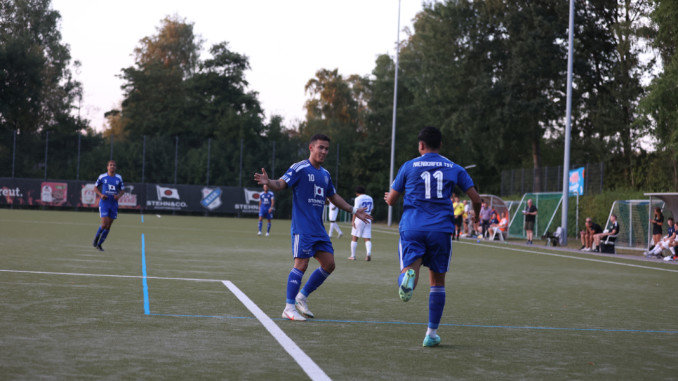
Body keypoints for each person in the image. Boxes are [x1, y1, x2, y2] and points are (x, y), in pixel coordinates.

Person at [254, 134, 372, 322]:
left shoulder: (325, 175)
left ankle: (302, 296)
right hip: (303, 228)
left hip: (319, 230)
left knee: (329, 264)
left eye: (326, 149)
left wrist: (353, 210)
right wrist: (269, 182)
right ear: (311, 148)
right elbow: (281, 183)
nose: (324, 151)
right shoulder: (299, 168)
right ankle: (289, 307)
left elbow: (333, 196)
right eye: (320, 147)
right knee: (301, 264)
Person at [384, 126, 481, 347]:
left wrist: (388, 196)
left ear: (421, 145)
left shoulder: (409, 166)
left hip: (412, 227)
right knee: (437, 282)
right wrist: (476, 215)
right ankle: (431, 333)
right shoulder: (454, 167)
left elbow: (391, 200)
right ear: (440, 145)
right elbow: (476, 198)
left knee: (410, 269)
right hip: (440, 229)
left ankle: (407, 277)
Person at [92, 160, 125, 251]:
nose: (112, 167)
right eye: (110, 165)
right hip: (104, 203)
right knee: (104, 224)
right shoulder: (102, 176)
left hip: (113, 204)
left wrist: (118, 196)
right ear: (107, 167)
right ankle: (96, 239)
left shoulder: (118, 177)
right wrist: (101, 195)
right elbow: (95, 188)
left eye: (114, 165)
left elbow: (122, 190)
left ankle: (99, 244)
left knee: (109, 225)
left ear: (116, 167)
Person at [349, 186, 374, 261]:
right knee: (367, 238)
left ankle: (353, 256)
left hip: (359, 219)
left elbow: (355, 210)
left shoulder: (358, 199)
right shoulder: (370, 198)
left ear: (356, 193)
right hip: (368, 218)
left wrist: (353, 221)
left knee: (354, 237)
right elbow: (372, 208)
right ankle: (368, 253)